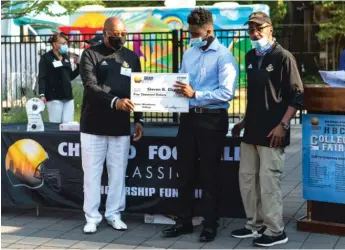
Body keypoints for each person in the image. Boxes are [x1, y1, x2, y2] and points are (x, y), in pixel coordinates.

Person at [162, 7, 238, 242]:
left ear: (209, 30)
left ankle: (209, 224)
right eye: (190, 33)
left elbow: (226, 92)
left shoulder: (224, 56)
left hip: (212, 119)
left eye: (196, 33)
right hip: (189, 118)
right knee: (184, 171)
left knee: (209, 173)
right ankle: (183, 221)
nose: (192, 37)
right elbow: (181, 82)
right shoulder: (189, 53)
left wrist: (195, 94)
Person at [230, 12, 304, 247]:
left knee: (269, 183)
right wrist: (243, 121)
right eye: (251, 30)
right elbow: (256, 97)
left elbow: (298, 96)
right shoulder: (251, 56)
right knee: (247, 180)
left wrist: (283, 125)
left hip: (273, 133)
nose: (255, 33)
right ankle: (255, 224)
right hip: (251, 130)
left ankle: (275, 231)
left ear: (270, 29)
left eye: (259, 28)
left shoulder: (283, 57)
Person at [79, 17, 144, 234]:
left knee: (117, 174)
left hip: (120, 127)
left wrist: (139, 120)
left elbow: (139, 91)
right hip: (93, 126)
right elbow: (90, 87)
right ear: (105, 33)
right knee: (92, 174)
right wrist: (115, 102)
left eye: (123, 33)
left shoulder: (132, 57)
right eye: (115, 34)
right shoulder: (90, 54)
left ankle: (114, 214)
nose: (120, 38)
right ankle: (92, 217)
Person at [38, 32, 79, 123]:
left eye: (66, 43)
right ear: (54, 44)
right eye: (62, 43)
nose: (65, 46)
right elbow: (42, 77)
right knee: (55, 125)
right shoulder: (46, 58)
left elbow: (69, 76)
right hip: (54, 97)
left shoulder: (66, 57)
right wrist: (42, 94)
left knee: (68, 124)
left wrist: (79, 66)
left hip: (68, 96)